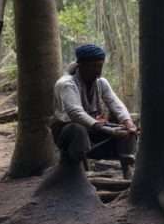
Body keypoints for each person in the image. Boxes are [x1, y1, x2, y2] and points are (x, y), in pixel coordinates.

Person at [51, 44, 138, 178]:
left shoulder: (101, 82)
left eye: (100, 66)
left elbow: (116, 104)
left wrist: (128, 123)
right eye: (94, 66)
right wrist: (108, 130)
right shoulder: (66, 84)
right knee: (77, 129)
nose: (98, 71)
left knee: (126, 129)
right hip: (67, 132)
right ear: (82, 65)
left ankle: (128, 171)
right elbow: (76, 113)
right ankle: (77, 175)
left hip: (94, 129)